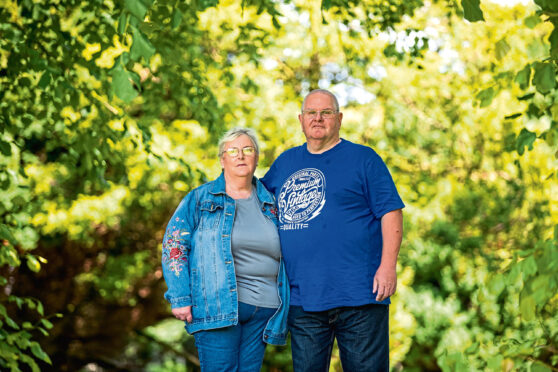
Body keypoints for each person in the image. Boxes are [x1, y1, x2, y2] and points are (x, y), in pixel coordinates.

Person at [262, 89, 404, 372]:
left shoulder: (364, 159)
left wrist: (388, 266)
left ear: (339, 119)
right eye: (311, 113)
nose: (318, 119)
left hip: (361, 295)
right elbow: (256, 206)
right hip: (303, 299)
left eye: (326, 112)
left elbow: (391, 212)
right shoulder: (285, 164)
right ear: (301, 120)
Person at [161, 127, 289, 372]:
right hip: (217, 306)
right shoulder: (200, 199)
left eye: (247, 150)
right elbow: (174, 245)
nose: (240, 156)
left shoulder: (272, 202)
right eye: (233, 151)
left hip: (264, 310)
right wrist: (180, 297)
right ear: (222, 159)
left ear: (257, 157)